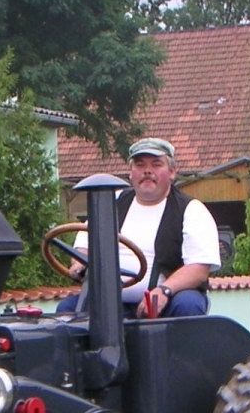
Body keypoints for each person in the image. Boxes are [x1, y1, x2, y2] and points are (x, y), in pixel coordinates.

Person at [57, 136, 221, 318]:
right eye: (140, 165)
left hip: (166, 302)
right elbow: (83, 247)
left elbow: (198, 269)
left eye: (156, 164)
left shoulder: (191, 210)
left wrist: (164, 290)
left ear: (172, 172)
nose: (147, 171)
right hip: (112, 302)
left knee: (188, 304)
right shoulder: (113, 202)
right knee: (67, 310)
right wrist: (79, 264)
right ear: (131, 172)